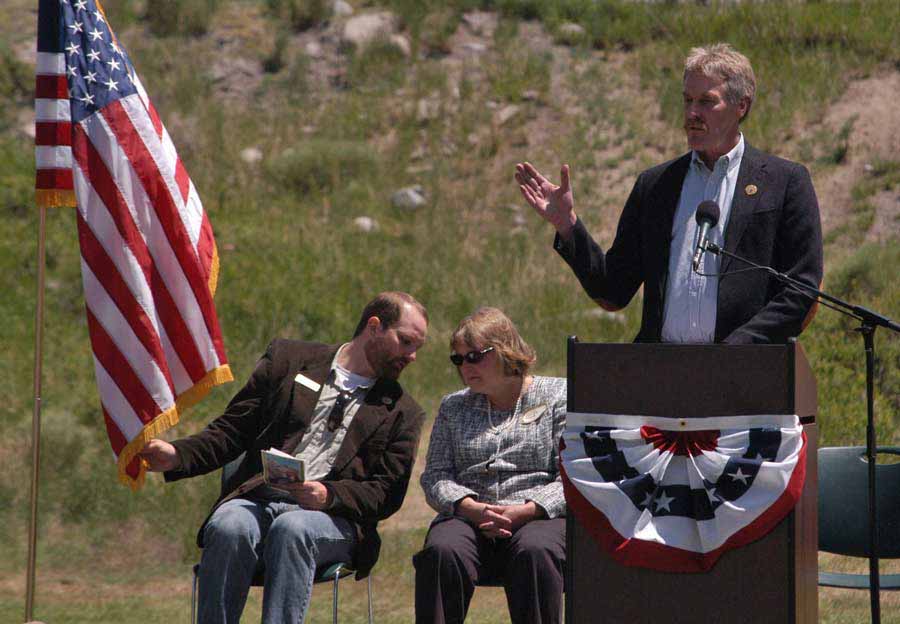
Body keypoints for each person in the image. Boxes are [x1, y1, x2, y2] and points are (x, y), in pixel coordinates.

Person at [139, 291, 428, 624]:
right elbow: (233, 430)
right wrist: (177, 454)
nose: (412, 355)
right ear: (374, 326)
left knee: (293, 527)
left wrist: (329, 495)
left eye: (417, 346)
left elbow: (386, 494)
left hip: (332, 519)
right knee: (229, 524)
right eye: (405, 342)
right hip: (259, 500)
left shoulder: (403, 412)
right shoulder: (289, 360)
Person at [515, 43, 823, 344]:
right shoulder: (655, 186)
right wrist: (568, 226)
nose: (692, 113)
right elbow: (613, 291)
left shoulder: (784, 182)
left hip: (743, 376)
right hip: (661, 376)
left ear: (741, 105)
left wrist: (737, 349)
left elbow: (801, 289)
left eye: (706, 101)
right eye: (687, 100)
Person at [414, 307, 567, 624]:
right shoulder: (454, 406)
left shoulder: (558, 396)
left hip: (537, 516)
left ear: (505, 350)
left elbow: (572, 475)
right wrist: (469, 507)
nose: (465, 366)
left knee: (536, 550)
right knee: (442, 550)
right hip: (470, 516)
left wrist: (528, 510)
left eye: (475, 356)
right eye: (458, 359)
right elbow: (436, 476)